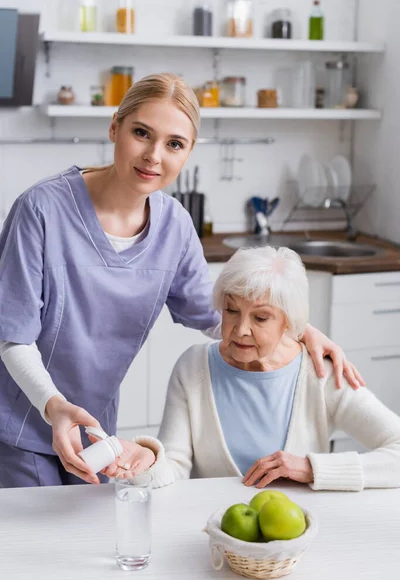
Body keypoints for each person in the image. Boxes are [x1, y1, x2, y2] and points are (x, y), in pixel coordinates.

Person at [0, 74, 362, 489]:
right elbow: (14, 336)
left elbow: (214, 314)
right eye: (141, 133)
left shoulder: (173, 224)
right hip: (22, 422)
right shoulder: (41, 210)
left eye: (174, 144)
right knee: (34, 548)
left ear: (188, 152)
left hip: (95, 430)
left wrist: (299, 329)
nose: (154, 156)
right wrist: (54, 406)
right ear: (115, 127)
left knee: (91, 542)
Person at [106, 245, 400, 491]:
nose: (240, 329)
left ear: (289, 322)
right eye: (232, 311)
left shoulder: (320, 374)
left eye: (260, 318)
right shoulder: (193, 368)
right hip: (211, 536)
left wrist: (312, 468)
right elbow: (174, 468)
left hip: (295, 545)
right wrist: (148, 462)